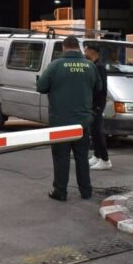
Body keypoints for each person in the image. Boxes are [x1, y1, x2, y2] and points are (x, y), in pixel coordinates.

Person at [37, 36, 101, 201]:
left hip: (60, 121)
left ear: (64, 48)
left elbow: (41, 87)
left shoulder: (55, 65)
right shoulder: (90, 66)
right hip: (83, 121)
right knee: (82, 157)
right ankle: (86, 191)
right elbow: (98, 88)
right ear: (78, 47)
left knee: (61, 158)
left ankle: (60, 191)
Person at [84, 43, 112, 170]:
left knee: (97, 131)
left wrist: (94, 99)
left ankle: (105, 160)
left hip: (98, 103)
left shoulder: (99, 66)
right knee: (93, 130)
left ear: (91, 51)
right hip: (94, 102)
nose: (85, 52)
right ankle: (96, 155)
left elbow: (101, 87)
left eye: (86, 50)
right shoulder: (94, 65)